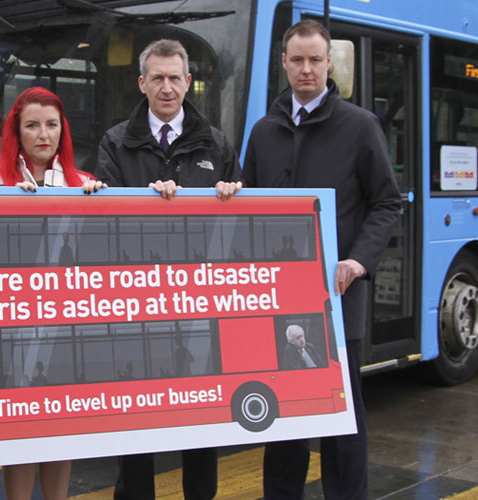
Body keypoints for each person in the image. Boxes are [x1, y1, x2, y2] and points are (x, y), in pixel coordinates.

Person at [243, 19, 401, 500]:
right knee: (283, 414)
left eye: (315, 60)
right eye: (297, 60)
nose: (306, 69)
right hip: (278, 301)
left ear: (330, 63)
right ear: (284, 64)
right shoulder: (264, 132)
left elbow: (387, 202)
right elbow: (248, 206)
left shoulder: (359, 126)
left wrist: (358, 261)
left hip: (337, 297)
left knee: (342, 419)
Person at [94, 38, 240, 500]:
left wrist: (233, 198)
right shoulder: (115, 143)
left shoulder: (217, 144)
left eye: (175, 77)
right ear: (141, 82)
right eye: (156, 77)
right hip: (137, 309)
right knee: (137, 428)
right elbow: (107, 225)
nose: (166, 87)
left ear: (188, 82)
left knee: (200, 426)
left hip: (199, 307)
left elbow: (237, 230)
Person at [0, 85, 101, 500]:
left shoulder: (88, 185)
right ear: (16, 131)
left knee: (62, 432)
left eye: (51, 125)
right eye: (32, 125)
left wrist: (100, 208)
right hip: (13, 327)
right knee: (20, 430)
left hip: (67, 328)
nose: (43, 134)